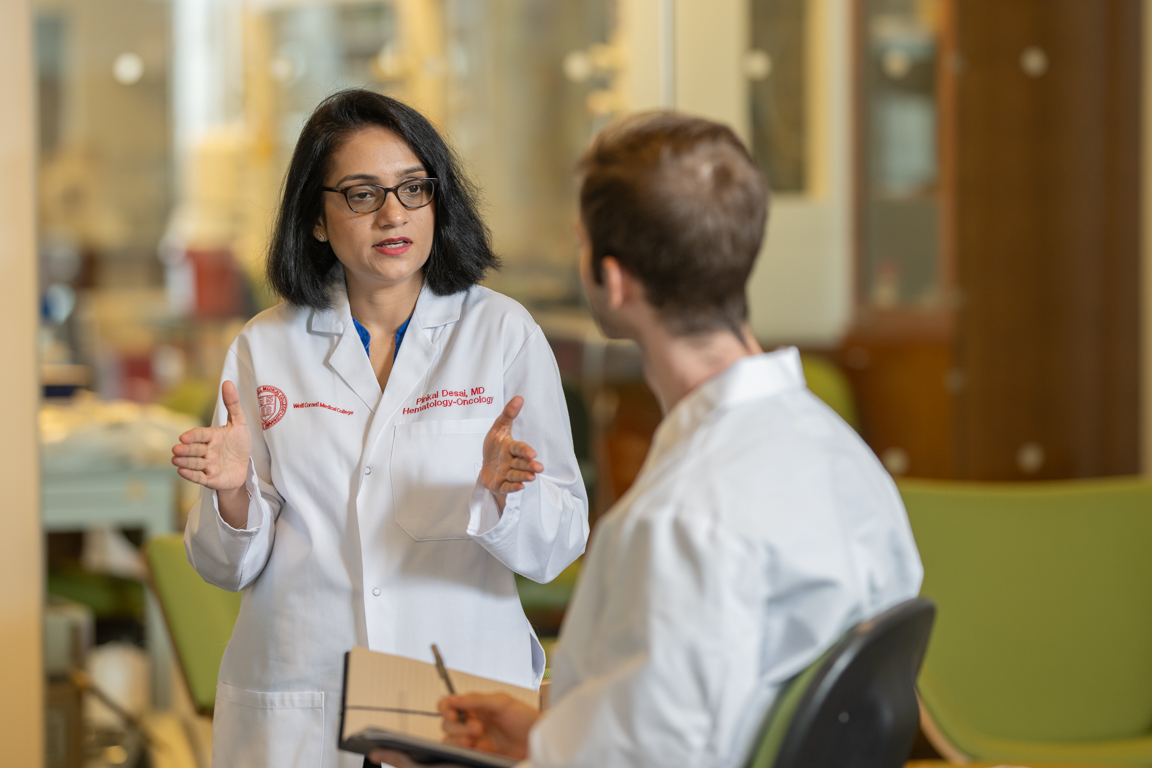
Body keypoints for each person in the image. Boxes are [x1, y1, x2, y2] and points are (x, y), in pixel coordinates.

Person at [370, 112, 923, 768]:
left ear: (616, 279)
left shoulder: (677, 521)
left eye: (580, 243)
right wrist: (545, 740)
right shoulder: (848, 463)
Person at [171, 89, 589, 768]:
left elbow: (559, 545)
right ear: (316, 218)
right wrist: (233, 495)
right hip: (306, 697)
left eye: (412, 189)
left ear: (437, 199)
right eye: (362, 194)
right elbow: (224, 565)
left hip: (456, 693)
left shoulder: (502, 334)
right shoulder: (264, 347)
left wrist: (505, 494)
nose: (393, 214)